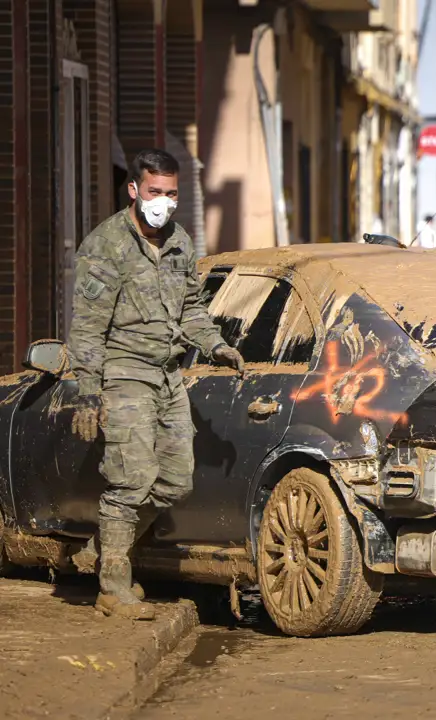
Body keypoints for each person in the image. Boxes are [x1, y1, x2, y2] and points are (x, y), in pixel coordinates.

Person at [68, 149, 244, 620]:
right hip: (123, 372)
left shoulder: (181, 242)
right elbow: (86, 327)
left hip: (168, 374)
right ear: (134, 189)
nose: (162, 202)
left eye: (170, 194)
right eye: (154, 192)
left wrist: (216, 345)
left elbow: (191, 309)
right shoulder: (106, 245)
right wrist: (88, 389)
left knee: (175, 480)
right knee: (131, 479)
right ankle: (113, 587)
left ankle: (103, 547)